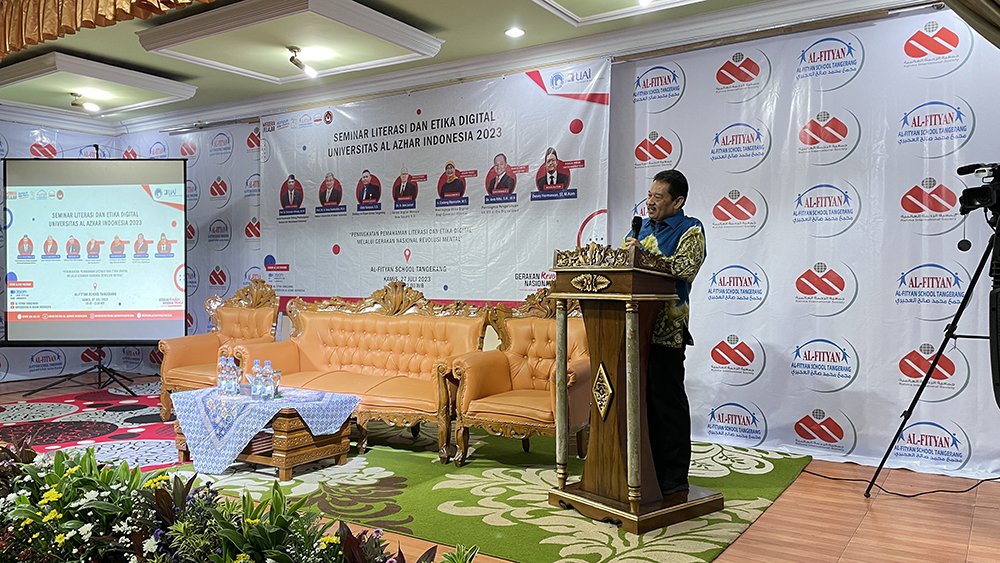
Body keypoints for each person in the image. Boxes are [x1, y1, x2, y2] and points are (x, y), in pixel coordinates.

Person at [623, 169, 706, 498]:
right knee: (639, 405)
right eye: (649, 195)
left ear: (677, 201)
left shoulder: (691, 229)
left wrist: (642, 255)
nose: (650, 202)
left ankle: (673, 479)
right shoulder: (640, 228)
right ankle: (644, 471)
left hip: (666, 331)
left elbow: (685, 268)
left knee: (666, 405)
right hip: (632, 331)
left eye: (658, 197)